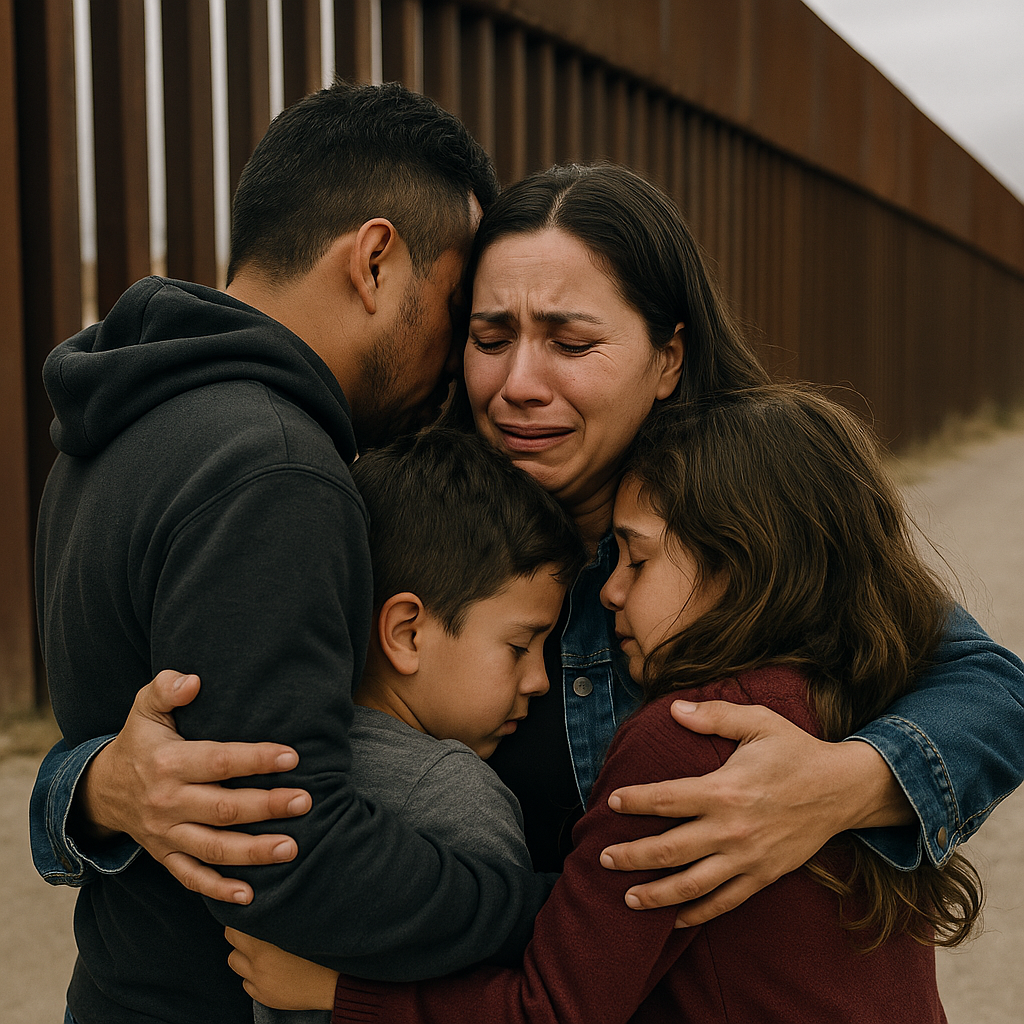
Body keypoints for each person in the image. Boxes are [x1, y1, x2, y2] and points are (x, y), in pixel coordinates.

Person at [33, 165, 1024, 986]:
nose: (518, 385)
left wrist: (842, 782)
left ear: (669, 357)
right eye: (491, 337)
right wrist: (92, 789)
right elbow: (236, 744)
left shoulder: (748, 528)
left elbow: (991, 689)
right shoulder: (396, 514)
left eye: (572, 340)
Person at [31, 82, 570, 1024]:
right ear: (374, 260)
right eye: (452, 306)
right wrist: (546, 910)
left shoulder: (118, 424)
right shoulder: (278, 469)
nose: (458, 363)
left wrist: (82, 793)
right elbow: (290, 851)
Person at [227, 384, 981, 1023]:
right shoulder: (862, 689)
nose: (612, 589)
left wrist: (340, 993)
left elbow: (551, 1010)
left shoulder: (687, 738)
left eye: (638, 557)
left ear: (737, 563)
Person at [252, 425, 586, 1024]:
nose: (540, 679)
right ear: (407, 633)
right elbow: (504, 1000)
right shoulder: (453, 794)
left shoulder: (271, 750)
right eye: (521, 645)